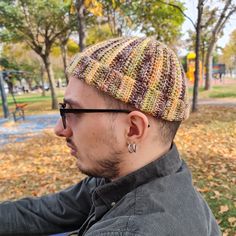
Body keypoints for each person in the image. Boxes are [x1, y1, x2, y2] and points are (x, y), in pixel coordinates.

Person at [0, 37, 220, 236]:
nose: (60, 129)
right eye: (63, 109)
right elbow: (51, 210)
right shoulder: (144, 174)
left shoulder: (132, 230)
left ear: (133, 129)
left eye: (74, 111)